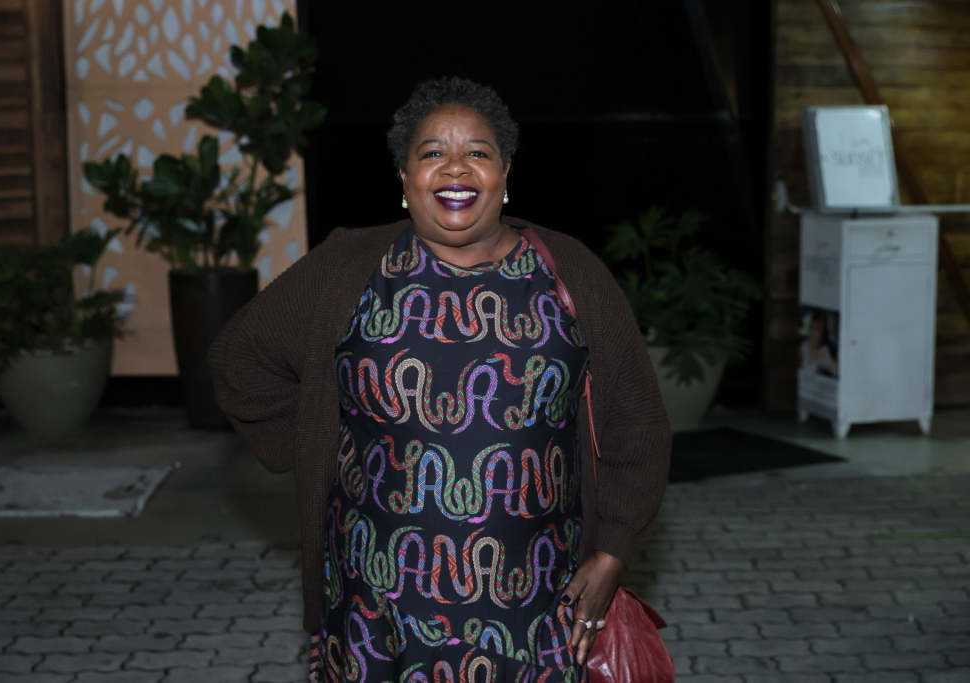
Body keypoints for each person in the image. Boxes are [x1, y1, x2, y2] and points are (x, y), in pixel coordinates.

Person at [209, 76, 671, 683]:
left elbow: (639, 425)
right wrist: (319, 442)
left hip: (535, 605)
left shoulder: (570, 273)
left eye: (477, 152)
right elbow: (239, 361)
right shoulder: (347, 270)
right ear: (404, 177)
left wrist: (612, 552)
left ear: (505, 172)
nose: (456, 168)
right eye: (432, 153)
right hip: (379, 608)